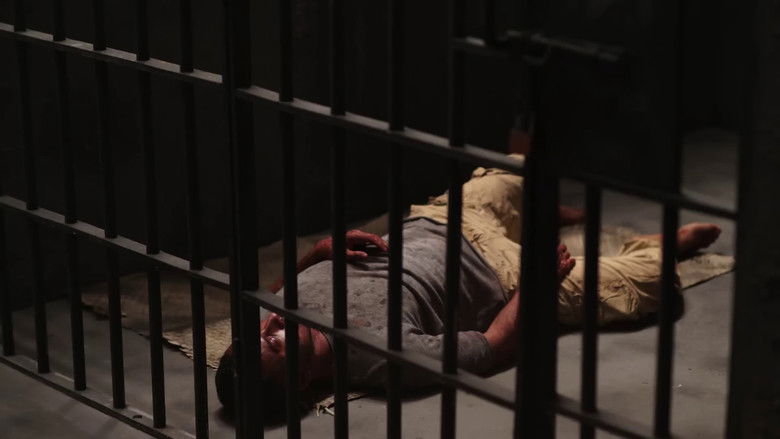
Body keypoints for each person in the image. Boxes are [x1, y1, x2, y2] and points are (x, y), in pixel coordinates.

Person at [214, 155, 721, 419]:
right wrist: (534, 286)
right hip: (503, 273)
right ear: (304, 380)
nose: (271, 323)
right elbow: (496, 346)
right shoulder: (384, 359)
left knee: (511, 171)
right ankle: (659, 246)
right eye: (274, 344)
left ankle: (541, 213)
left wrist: (320, 252)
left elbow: (276, 289)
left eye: (258, 331)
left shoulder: (274, 315)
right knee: (648, 286)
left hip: (441, 222)